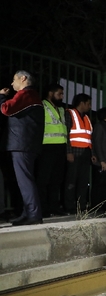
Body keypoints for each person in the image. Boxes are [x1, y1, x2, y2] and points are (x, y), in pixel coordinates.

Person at [0, 70, 44, 226]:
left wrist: (1, 97)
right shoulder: (32, 96)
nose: (12, 84)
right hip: (26, 144)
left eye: (14, 80)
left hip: (23, 144)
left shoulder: (26, 94)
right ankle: (28, 213)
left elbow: (6, 109)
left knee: (25, 180)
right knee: (25, 179)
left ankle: (33, 214)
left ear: (23, 78)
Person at [36, 83, 69, 217]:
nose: (61, 96)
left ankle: (54, 207)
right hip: (46, 146)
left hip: (60, 147)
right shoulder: (42, 105)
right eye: (59, 94)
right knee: (43, 180)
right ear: (51, 93)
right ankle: (43, 209)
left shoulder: (61, 109)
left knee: (56, 179)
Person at [64, 93, 93, 213]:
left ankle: (81, 205)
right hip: (74, 153)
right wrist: (68, 152)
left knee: (83, 181)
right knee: (71, 180)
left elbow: (89, 136)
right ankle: (69, 206)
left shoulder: (86, 118)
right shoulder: (69, 114)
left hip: (85, 153)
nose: (90, 106)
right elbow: (65, 134)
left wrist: (92, 153)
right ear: (82, 103)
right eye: (88, 103)